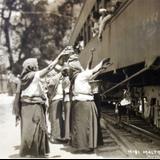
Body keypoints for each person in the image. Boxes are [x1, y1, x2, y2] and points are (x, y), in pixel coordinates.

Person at [13, 51, 69, 157]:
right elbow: (49, 68)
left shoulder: (22, 79)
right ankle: (36, 152)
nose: (37, 66)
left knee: (27, 130)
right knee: (37, 128)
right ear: (31, 67)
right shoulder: (34, 76)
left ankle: (28, 152)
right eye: (36, 65)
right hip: (34, 106)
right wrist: (59, 57)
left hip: (25, 107)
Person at [69, 58, 110, 153]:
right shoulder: (81, 75)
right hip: (85, 103)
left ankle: (82, 145)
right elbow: (93, 70)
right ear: (77, 67)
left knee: (81, 126)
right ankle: (87, 146)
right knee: (87, 125)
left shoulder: (76, 77)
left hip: (79, 103)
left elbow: (91, 77)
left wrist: (101, 70)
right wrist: (102, 63)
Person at [47, 73, 65, 143]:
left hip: (61, 100)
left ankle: (60, 136)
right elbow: (50, 91)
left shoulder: (62, 81)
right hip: (55, 99)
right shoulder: (53, 81)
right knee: (54, 119)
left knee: (61, 119)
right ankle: (54, 137)